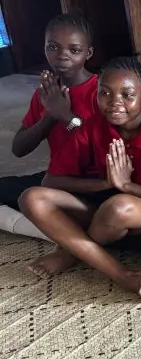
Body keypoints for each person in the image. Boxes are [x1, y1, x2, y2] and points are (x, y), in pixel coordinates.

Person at [18, 56, 141, 302]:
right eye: (105, 93)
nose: (115, 103)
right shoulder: (93, 126)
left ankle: (78, 255)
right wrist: (106, 183)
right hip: (102, 208)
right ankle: (121, 272)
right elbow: (51, 181)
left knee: (119, 205)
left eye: (127, 94)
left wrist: (127, 186)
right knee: (30, 197)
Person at [1, 13, 99, 239]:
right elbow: (19, 148)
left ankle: (70, 234)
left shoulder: (101, 92)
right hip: (58, 179)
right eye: (53, 47)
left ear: (88, 53)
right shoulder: (47, 93)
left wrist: (67, 116)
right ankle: (68, 232)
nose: (62, 56)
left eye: (74, 50)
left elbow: (100, 149)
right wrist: (49, 116)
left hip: (97, 183)